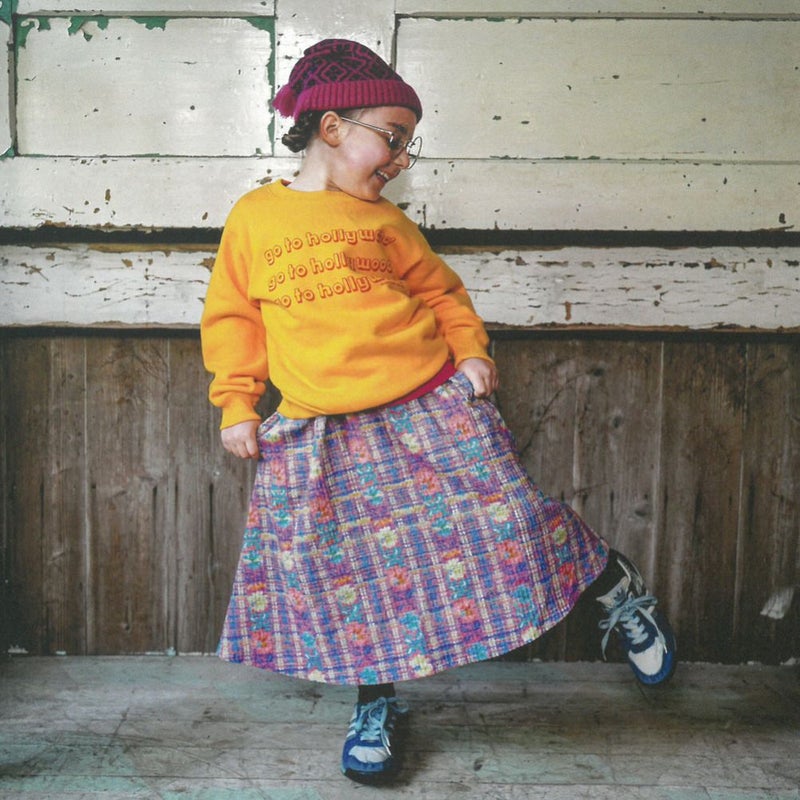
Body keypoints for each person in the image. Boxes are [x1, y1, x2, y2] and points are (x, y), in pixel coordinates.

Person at [200, 38, 677, 785]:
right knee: (355, 573)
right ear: (333, 127)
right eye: (392, 138)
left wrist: (472, 353)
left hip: (428, 407)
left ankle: (614, 584)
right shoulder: (255, 218)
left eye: (408, 145)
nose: (400, 158)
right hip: (323, 430)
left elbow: (442, 295)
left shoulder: (386, 224)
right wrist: (236, 402)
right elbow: (234, 319)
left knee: (511, 522)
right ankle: (375, 705)